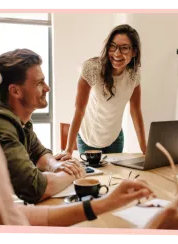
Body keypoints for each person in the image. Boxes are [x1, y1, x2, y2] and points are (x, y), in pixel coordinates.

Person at [0, 13, 178, 229]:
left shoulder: (11, 123)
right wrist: (153, 229)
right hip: (89, 138)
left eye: (125, 49)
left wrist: (103, 203)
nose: (47, 88)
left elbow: (13, 213)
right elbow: (35, 189)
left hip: (112, 136)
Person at [0, 48, 85, 205]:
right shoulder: (1, 125)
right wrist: (73, 174)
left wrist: (56, 165)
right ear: (15, 91)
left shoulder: (20, 122)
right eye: (39, 83)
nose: (47, 88)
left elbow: (39, 153)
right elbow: (34, 188)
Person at [54, 24, 147, 161]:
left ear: (134, 52)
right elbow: (79, 109)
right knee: (93, 178)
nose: (116, 53)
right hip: (89, 138)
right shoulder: (92, 68)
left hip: (115, 137)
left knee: (114, 178)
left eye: (124, 48)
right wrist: (68, 149)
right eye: (113, 46)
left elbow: (135, 110)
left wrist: (145, 148)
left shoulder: (134, 73)